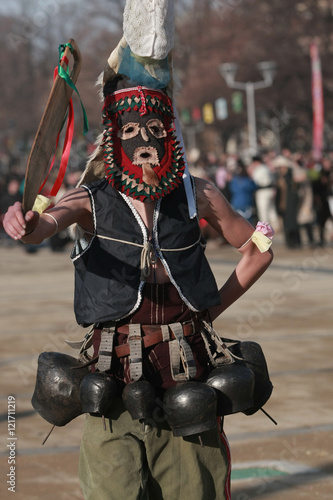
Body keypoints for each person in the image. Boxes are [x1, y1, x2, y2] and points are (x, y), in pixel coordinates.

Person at [3, 4, 274, 499]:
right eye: (130, 131)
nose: (144, 141)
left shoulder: (199, 194)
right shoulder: (91, 199)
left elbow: (256, 249)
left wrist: (209, 308)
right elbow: (45, 226)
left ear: (170, 133)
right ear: (113, 139)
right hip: (111, 383)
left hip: (188, 380)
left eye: (154, 129)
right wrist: (22, 221)